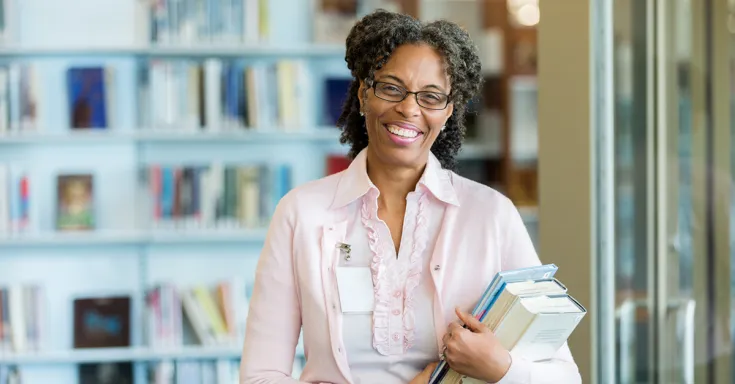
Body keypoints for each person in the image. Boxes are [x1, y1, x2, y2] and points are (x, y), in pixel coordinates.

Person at [240, 9, 582, 384]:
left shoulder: (491, 215)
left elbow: (564, 377)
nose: (408, 108)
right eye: (391, 87)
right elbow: (260, 376)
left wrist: (500, 368)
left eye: (431, 96)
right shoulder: (301, 213)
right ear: (363, 93)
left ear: (448, 111)